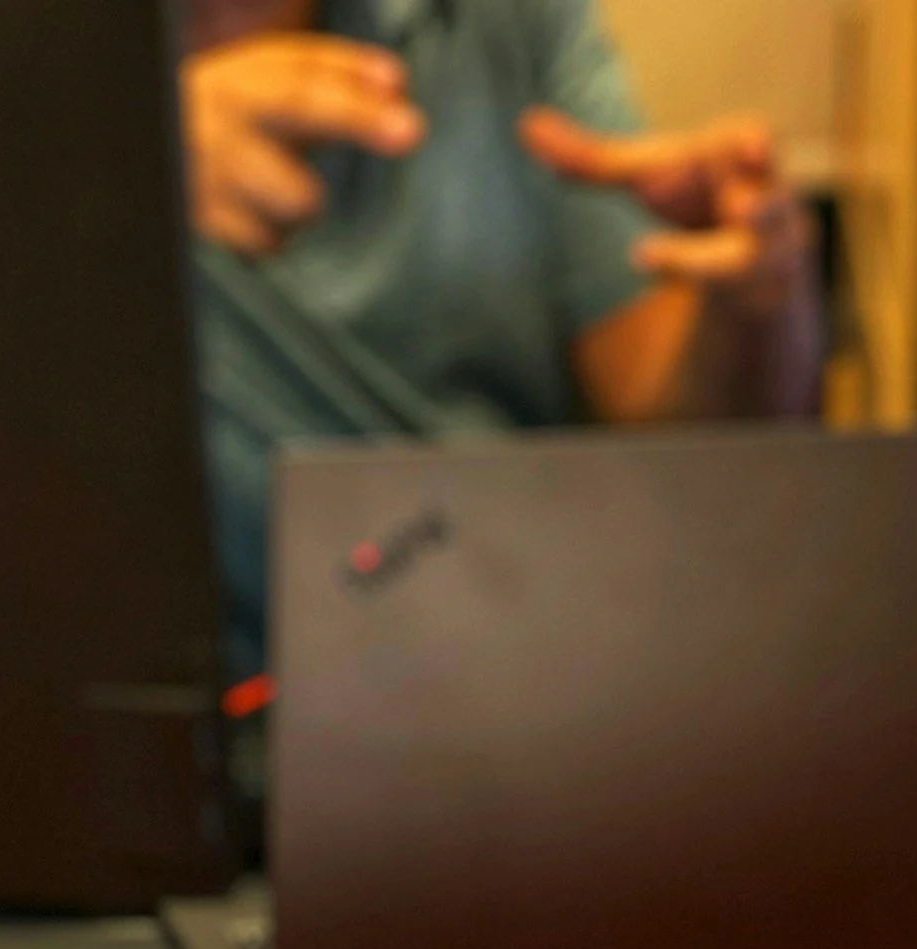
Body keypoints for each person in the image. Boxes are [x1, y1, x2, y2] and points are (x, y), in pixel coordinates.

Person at [179, 0, 826, 672]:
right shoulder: (67, 114)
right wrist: (109, 185)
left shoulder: (502, 21)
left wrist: (751, 304)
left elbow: (680, 428)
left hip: (506, 673)